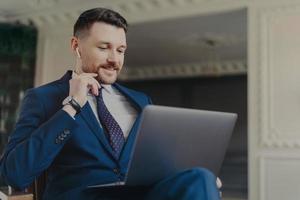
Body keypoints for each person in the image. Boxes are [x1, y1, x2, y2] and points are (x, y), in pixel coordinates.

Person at [0, 7, 221, 200]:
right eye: (104, 47)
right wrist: (72, 106)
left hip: (140, 195)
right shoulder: (43, 98)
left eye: (121, 50)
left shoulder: (141, 101)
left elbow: (157, 163)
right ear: (76, 46)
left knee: (201, 178)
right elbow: (14, 173)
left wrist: (192, 178)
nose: (115, 60)